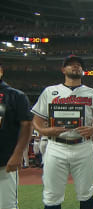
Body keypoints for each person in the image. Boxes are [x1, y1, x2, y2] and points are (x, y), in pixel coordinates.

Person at [31, 55, 93, 209]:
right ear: (63, 69)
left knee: (86, 192)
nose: (75, 66)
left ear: (82, 70)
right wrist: (45, 130)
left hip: (83, 146)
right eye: (71, 65)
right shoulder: (50, 91)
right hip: (56, 146)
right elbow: (36, 120)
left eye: (78, 65)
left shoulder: (92, 93)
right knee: (52, 195)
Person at [0, 63, 33, 209]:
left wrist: (18, 154)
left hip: (4, 162)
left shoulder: (15, 95)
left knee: (7, 206)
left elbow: (27, 125)